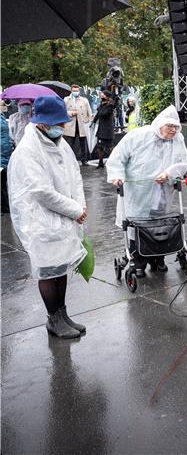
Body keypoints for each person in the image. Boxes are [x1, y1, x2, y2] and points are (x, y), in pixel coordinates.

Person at [8, 96, 88, 339]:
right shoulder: (28, 150)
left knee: (61, 266)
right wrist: (75, 210)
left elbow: (75, 174)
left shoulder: (59, 142)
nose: (61, 127)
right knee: (48, 270)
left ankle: (62, 314)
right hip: (41, 220)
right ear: (41, 123)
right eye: (56, 123)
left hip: (63, 217)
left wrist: (81, 206)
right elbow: (40, 191)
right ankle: (53, 318)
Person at [106, 105, 187, 277]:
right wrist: (116, 176)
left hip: (161, 192)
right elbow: (118, 156)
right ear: (160, 124)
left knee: (160, 224)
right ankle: (138, 261)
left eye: (176, 127)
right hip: (137, 192)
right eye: (170, 126)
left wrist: (169, 173)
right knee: (136, 225)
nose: (173, 130)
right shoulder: (139, 135)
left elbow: (184, 162)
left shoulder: (178, 140)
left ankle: (158, 259)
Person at [63, 85, 92, 166]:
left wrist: (90, 120)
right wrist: (70, 113)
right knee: (70, 144)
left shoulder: (84, 100)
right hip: (71, 124)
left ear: (79, 91)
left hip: (82, 124)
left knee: (83, 143)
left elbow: (89, 111)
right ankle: (69, 160)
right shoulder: (66, 99)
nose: (75, 92)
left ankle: (84, 160)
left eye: (77, 90)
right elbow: (63, 111)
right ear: (71, 91)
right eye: (74, 90)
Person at [93, 90, 116, 169]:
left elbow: (103, 114)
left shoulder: (110, 105)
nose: (101, 95)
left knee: (109, 146)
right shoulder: (102, 104)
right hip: (101, 129)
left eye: (103, 94)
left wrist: (101, 108)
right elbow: (98, 115)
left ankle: (116, 161)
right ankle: (100, 162)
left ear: (107, 96)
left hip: (107, 129)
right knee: (99, 146)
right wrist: (93, 121)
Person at [1, 104, 13, 213]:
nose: (5, 106)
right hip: (2, 153)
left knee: (4, 182)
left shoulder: (2, 116)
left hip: (5, 153)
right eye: (2, 104)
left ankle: (5, 206)